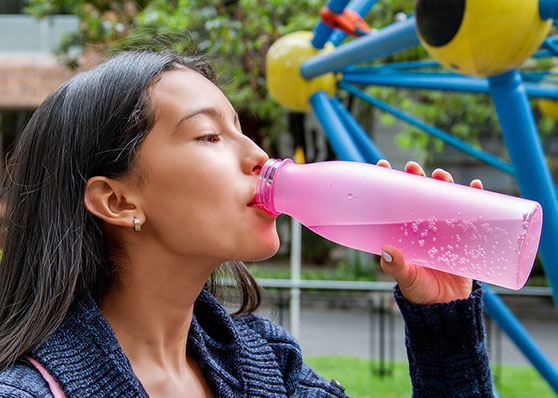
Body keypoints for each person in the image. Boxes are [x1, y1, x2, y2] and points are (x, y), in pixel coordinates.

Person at [0, 50, 494, 398]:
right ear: (117, 199)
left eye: (240, 129)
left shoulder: (267, 365)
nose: (260, 156)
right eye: (210, 136)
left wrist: (444, 321)